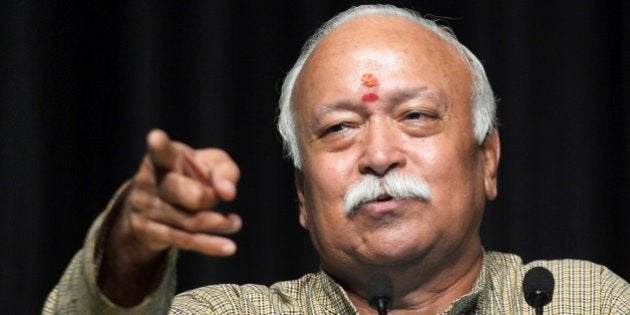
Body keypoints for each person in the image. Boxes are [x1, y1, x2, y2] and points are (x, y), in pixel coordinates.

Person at [43, 4, 628, 314]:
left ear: (488, 159)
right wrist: (129, 250)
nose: (377, 155)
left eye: (416, 117)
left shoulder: (581, 301)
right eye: (339, 128)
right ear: (301, 193)